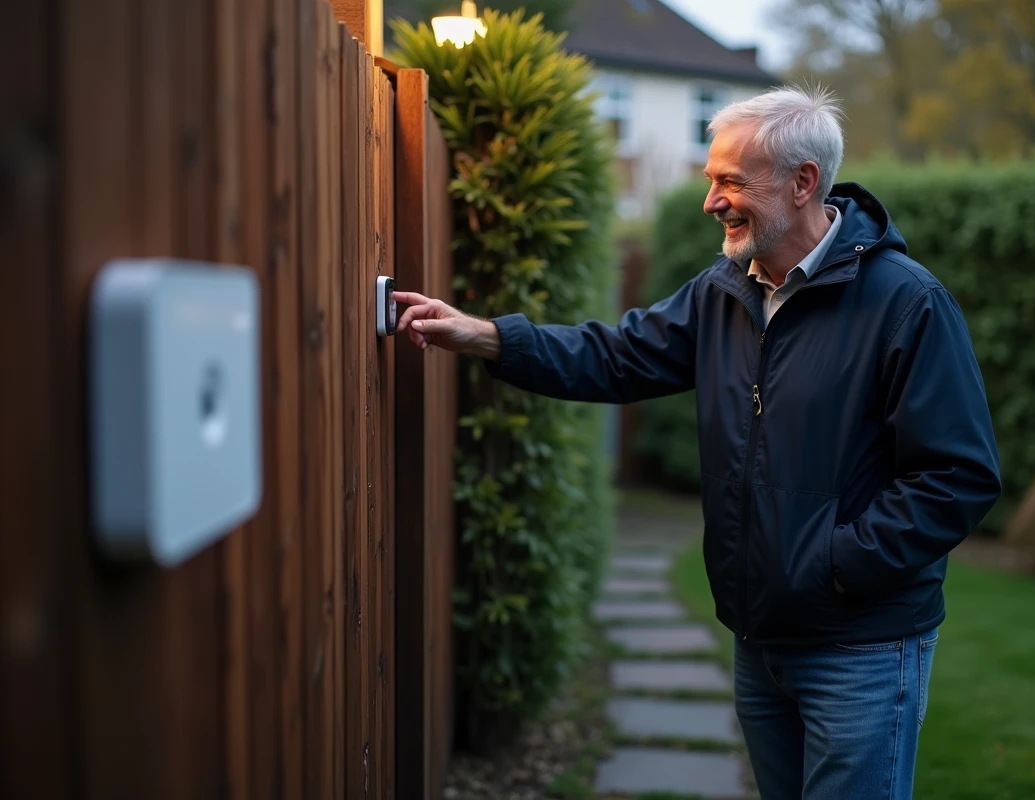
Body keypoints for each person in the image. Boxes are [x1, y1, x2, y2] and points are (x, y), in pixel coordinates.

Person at [393, 86, 1001, 800]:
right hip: (758, 640)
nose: (711, 199)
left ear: (803, 182)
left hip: (859, 649)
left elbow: (957, 476)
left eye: (731, 181)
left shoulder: (906, 303)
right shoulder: (725, 291)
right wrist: (491, 337)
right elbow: (617, 357)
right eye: (711, 179)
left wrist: (835, 564)